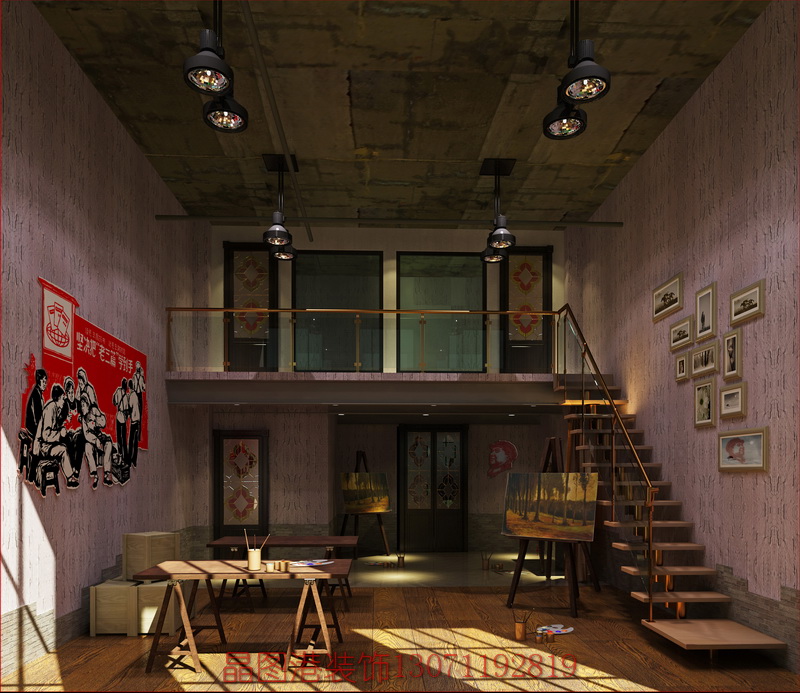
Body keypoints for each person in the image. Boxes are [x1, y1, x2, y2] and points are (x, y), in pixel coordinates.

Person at [34, 384, 77, 488]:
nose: (64, 400)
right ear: (58, 398)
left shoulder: (56, 408)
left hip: (48, 444)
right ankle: (70, 478)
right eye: (62, 398)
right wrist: (60, 433)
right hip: (43, 446)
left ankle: (73, 470)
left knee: (69, 440)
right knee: (63, 449)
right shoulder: (50, 409)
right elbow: (46, 435)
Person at [24, 369, 47, 437]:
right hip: (33, 428)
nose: (45, 384)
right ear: (39, 381)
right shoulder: (36, 394)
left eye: (45, 382)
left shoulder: (38, 393)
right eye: (43, 382)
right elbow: (38, 416)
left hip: (35, 426)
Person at [112, 376, 129, 463]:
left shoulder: (118, 391)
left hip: (118, 415)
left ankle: (120, 455)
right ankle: (124, 456)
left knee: (119, 437)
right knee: (124, 438)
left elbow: (114, 401)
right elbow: (128, 409)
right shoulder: (127, 396)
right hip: (123, 417)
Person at [125, 379, 141, 468]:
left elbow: (130, 407)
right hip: (137, 420)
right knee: (135, 442)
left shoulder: (131, 396)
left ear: (129, 387)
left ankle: (129, 461)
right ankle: (134, 460)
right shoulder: (135, 395)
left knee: (131, 441)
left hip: (134, 421)